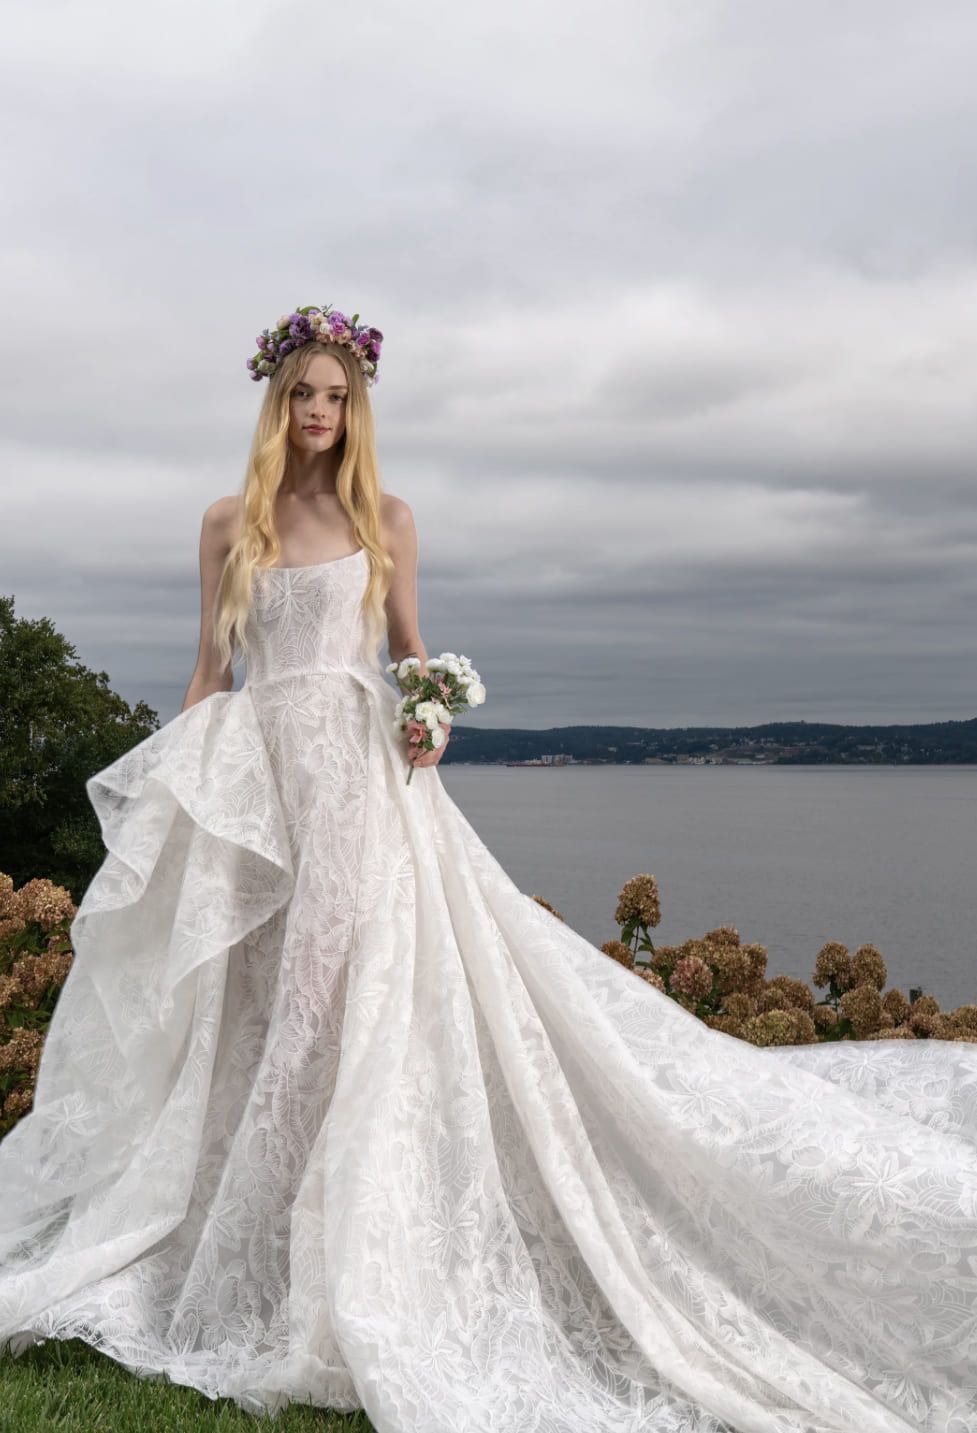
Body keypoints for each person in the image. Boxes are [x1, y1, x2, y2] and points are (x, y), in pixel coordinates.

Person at [1, 304, 976, 1433]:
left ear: (354, 406)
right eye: (301, 394)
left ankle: (340, 1251)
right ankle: (247, 1242)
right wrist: (175, 798)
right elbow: (209, 671)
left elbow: (411, 654)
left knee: (336, 1001)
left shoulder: (387, 517)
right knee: (253, 1005)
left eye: (335, 396)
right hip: (261, 785)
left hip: (363, 787)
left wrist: (433, 717)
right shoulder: (229, 522)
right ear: (274, 401)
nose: (317, 413)